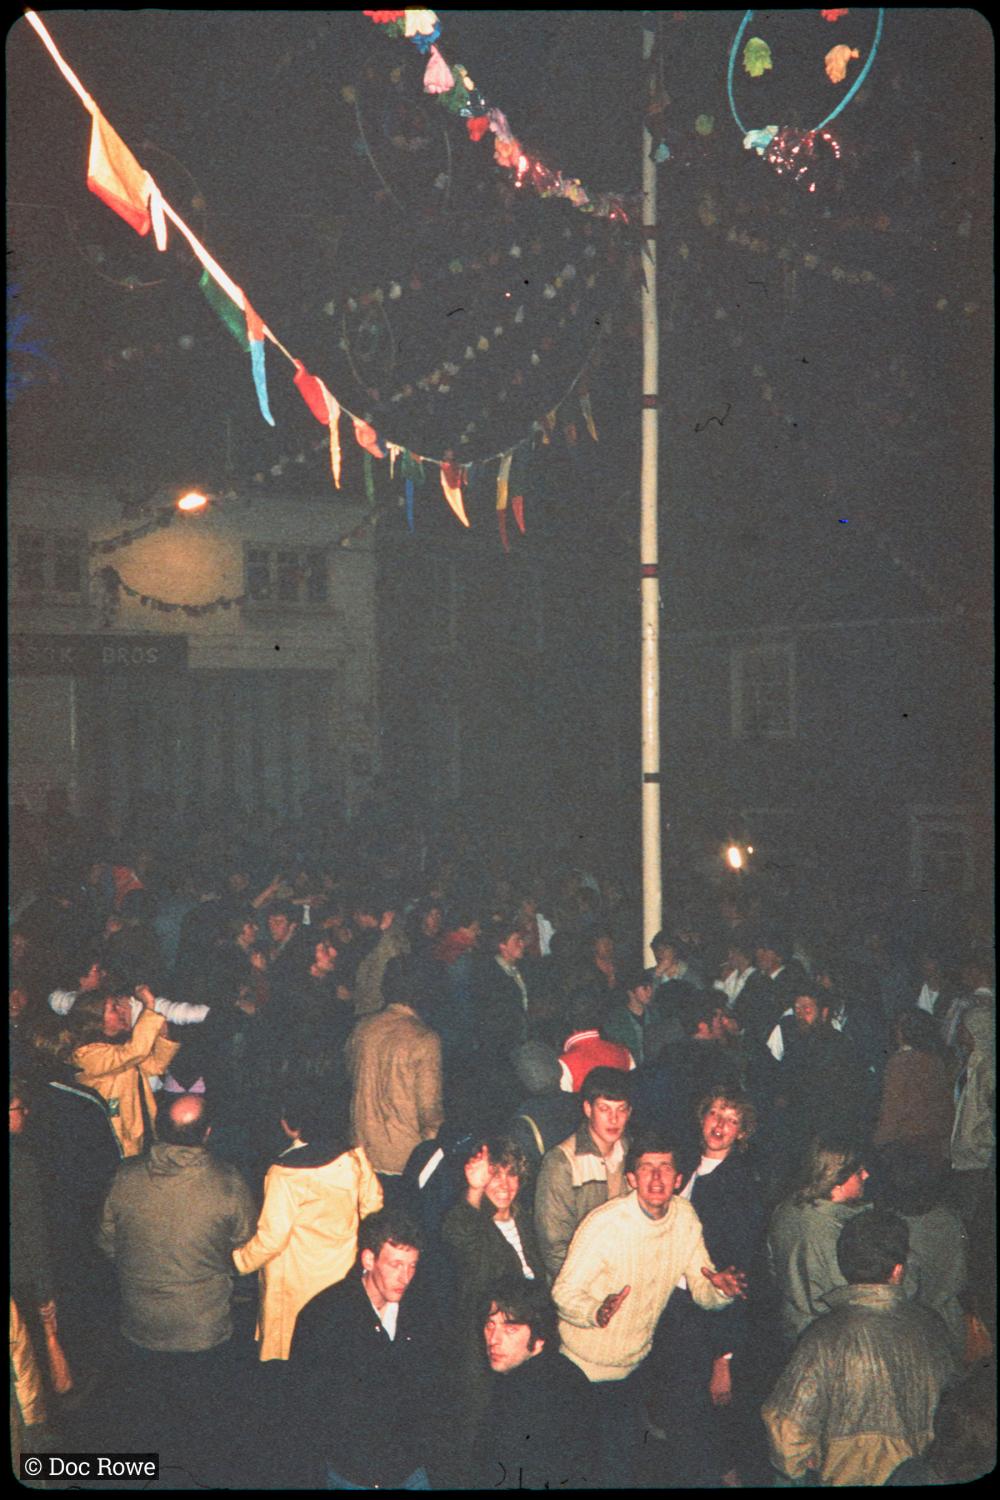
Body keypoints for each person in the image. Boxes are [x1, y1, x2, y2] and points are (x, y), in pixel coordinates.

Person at [551, 1127, 746, 1486]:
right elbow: (563, 1293)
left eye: (665, 1168)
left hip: (634, 1367)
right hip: (582, 1371)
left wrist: (720, 1290)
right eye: (646, 1168)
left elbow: (703, 1290)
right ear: (631, 1178)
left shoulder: (685, 1218)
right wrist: (596, 1311)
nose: (656, 1177)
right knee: (583, 1471)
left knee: (622, 1468)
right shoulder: (605, 1225)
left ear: (679, 1178)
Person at [97, 1093, 257, 1481]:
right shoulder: (228, 1182)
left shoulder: (125, 1176)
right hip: (204, 1328)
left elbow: (106, 1243)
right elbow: (246, 1244)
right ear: (207, 1133)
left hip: (141, 1323)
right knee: (203, 1420)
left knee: (153, 1415)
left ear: (159, 1130)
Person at [762, 1208, 956, 1486]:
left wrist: (801, 1466)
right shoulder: (932, 1326)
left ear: (844, 1265)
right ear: (898, 1270)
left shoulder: (824, 1335)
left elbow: (786, 1424)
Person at [647, 1090, 767, 1484]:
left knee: (712, 1431)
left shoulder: (740, 1185)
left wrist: (724, 1359)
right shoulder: (687, 1167)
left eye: (730, 1119)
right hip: (674, 1306)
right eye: (714, 1113)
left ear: (741, 1132)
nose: (718, 1125)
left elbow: (738, 1278)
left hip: (705, 1322)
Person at [287, 1207, 446, 1489]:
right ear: (369, 1259)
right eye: (395, 1265)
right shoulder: (325, 1317)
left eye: (412, 1266)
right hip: (354, 1472)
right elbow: (309, 1409)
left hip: (410, 1468)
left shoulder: (420, 1311)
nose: (405, 1278)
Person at [232, 1081, 383, 1362]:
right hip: (341, 1275)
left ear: (289, 1124)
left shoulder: (285, 1172)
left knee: (292, 1355)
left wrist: (238, 1261)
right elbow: (373, 1206)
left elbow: (273, 1239)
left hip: (294, 1282)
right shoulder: (353, 1157)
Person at [441, 1137, 546, 1481]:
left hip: (526, 1351)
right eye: (495, 1175)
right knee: (480, 1438)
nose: (504, 1184)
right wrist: (473, 1191)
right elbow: (457, 1233)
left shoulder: (525, 1218)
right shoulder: (475, 1223)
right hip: (484, 1349)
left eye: (512, 1175)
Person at [470, 1277, 595, 1490]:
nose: (493, 1339)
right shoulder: (561, 1370)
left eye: (510, 1329)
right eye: (490, 1325)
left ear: (539, 1337)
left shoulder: (526, 1394)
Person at [346, 954, 444, 1199]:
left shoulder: (362, 1028)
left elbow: (351, 1081)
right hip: (404, 1160)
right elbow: (430, 1111)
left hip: (361, 1152)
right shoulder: (424, 1039)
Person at [765, 1138, 871, 1352]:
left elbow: (773, 1270)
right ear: (838, 1181)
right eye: (858, 1172)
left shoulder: (786, 1210)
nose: (866, 1175)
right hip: (832, 1340)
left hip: (793, 1329)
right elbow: (849, 1295)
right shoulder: (838, 1230)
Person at [534, 1066, 633, 1281]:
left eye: (621, 1109)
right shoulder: (561, 1163)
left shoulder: (634, 1153)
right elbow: (554, 1247)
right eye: (604, 1109)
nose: (614, 1119)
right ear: (588, 1109)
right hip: (580, 1284)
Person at [69, 978, 180, 1156]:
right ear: (96, 1019)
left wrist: (163, 1037)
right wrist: (149, 1005)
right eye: (114, 1008)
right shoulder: (86, 1055)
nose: (122, 1010)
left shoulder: (120, 1045)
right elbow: (135, 1052)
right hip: (114, 1137)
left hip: (141, 1128)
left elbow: (155, 1066)